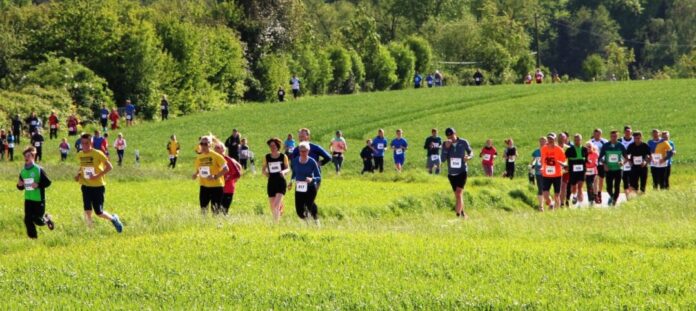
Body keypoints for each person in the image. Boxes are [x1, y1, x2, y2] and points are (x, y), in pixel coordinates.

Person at [74, 133, 123, 232]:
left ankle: (114, 219)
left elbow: (109, 167)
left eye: (87, 143)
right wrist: (78, 175)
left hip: (98, 186)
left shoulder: (98, 153)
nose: (84, 146)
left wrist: (97, 176)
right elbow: (82, 167)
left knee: (99, 212)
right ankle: (90, 230)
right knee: (87, 210)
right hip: (85, 186)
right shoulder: (80, 154)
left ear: (91, 143)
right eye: (82, 143)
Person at [16, 146, 54, 239]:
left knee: (37, 220)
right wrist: (19, 185)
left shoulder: (38, 169)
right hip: (28, 199)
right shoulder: (22, 171)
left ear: (33, 156)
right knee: (27, 220)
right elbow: (21, 187)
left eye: (28, 155)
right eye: (25, 156)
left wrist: (38, 185)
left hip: (39, 199)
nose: (26, 157)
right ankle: (33, 238)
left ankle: (47, 219)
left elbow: (48, 182)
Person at [192, 135, 229, 215]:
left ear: (210, 144)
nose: (203, 146)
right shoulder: (199, 158)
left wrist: (215, 176)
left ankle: (215, 225)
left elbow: (226, 169)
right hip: (204, 186)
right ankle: (204, 226)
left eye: (206, 144)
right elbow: (199, 170)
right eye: (202, 144)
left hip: (216, 186)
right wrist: (195, 175)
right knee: (203, 209)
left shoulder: (217, 156)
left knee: (215, 210)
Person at [441, 127, 473, 218]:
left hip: (462, 171)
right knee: (458, 195)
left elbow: (471, 152)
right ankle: (463, 213)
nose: (450, 137)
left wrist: (468, 157)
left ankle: (457, 215)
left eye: (452, 135)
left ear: (455, 133)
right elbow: (443, 159)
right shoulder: (445, 144)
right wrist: (446, 148)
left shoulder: (463, 142)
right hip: (451, 174)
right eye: (448, 136)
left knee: (459, 193)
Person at [288, 142, 322, 223]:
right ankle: (307, 221)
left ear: (308, 151)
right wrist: (291, 182)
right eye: (301, 151)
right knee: (299, 210)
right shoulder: (295, 161)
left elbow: (318, 177)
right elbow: (294, 174)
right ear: (299, 151)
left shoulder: (312, 162)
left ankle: (316, 221)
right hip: (299, 187)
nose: (303, 153)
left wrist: (312, 179)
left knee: (309, 205)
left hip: (310, 187)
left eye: (305, 151)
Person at [263, 138, 290, 223]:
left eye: (274, 145)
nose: (272, 147)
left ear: (277, 146)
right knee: (272, 206)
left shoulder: (283, 156)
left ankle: (276, 223)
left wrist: (283, 172)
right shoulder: (267, 157)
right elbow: (263, 170)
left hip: (280, 182)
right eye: (270, 146)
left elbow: (288, 168)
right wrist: (266, 174)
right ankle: (279, 212)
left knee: (276, 205)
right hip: (271, 182)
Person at [213, 141, 242, 216]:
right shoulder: (213, 160)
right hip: (215, 188)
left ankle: (223, 225)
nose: (216, 149)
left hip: (227, 189)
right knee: (215, 210)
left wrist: (229, 179)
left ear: (223, 149)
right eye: (215, 148)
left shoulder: (228, 160)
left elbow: (238, 171)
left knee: (224, 211)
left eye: (218, 148)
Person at [599, 130, 627, 206]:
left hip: (618, 169)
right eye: (612, 136)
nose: (613, 138)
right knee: (608, 188)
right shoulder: (605, 145)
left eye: (615, 136)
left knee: (617, 186)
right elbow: (600, 158)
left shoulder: (621, 146)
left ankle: (614, 202)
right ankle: (612, 197)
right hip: (609, 169)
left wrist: (622, 162)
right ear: (610, 137)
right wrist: (604, 164)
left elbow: (626, 158)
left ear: (617, 137)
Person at [540, 133, 567, 211]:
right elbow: (543, 160)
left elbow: (564, 161)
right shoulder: (544, 148)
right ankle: (551, 203)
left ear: (555, 140)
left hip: (557, 175)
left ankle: (557, 211)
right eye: (549, 139)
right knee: (545, 194)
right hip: (546, 174)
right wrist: (542, 167)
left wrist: (561, 163)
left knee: (556, 195)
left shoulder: (559, 149)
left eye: (552, 139)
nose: (550, 140)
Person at [565, 134, 588, 206]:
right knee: (574, 186)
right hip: (572, 171)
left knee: (580, 187)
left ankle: (580, 204)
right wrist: (566, 166)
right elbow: (564, 159)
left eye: (578, 140)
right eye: (575, 140)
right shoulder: (569, 150)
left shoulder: (585, 149)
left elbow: (586, 160)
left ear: (581, 140)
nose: (577, 141)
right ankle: (574, 196)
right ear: (573, 141)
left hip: (582, 171)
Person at [590, 128, 608, 204]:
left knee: (601, 178)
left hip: (602, 163)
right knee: (594, 179)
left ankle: (599, 192)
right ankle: (595, 194)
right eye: (595, 134)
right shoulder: (591, 142)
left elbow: (607, 152)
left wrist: (605, 162)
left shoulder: (604, 141)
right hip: (593, 164)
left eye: (598, 134)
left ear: (601, 134)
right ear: (593, 134)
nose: (597, 135)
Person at [531, 137, 547, 210]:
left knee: (546, 189)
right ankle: (541, 206)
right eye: (541, 141)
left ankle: (549, 202)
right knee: (540, 188)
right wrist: (531, 167)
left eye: (544, 141)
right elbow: (533, 161)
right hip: (538, 172)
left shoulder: (548, 151)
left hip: (547, 173)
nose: (542, 143)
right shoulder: (536, 152)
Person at [619, 126, 634, 196]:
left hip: (632, 163)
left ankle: (631, 194)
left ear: (631, 132)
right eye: (626, 132)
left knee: (633, 180)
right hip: (623, 163)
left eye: (629, 132)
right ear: (624, 132)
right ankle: (627, 196)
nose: (628, 133)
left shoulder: (635, 140)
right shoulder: (620, 140)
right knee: (625, 180)